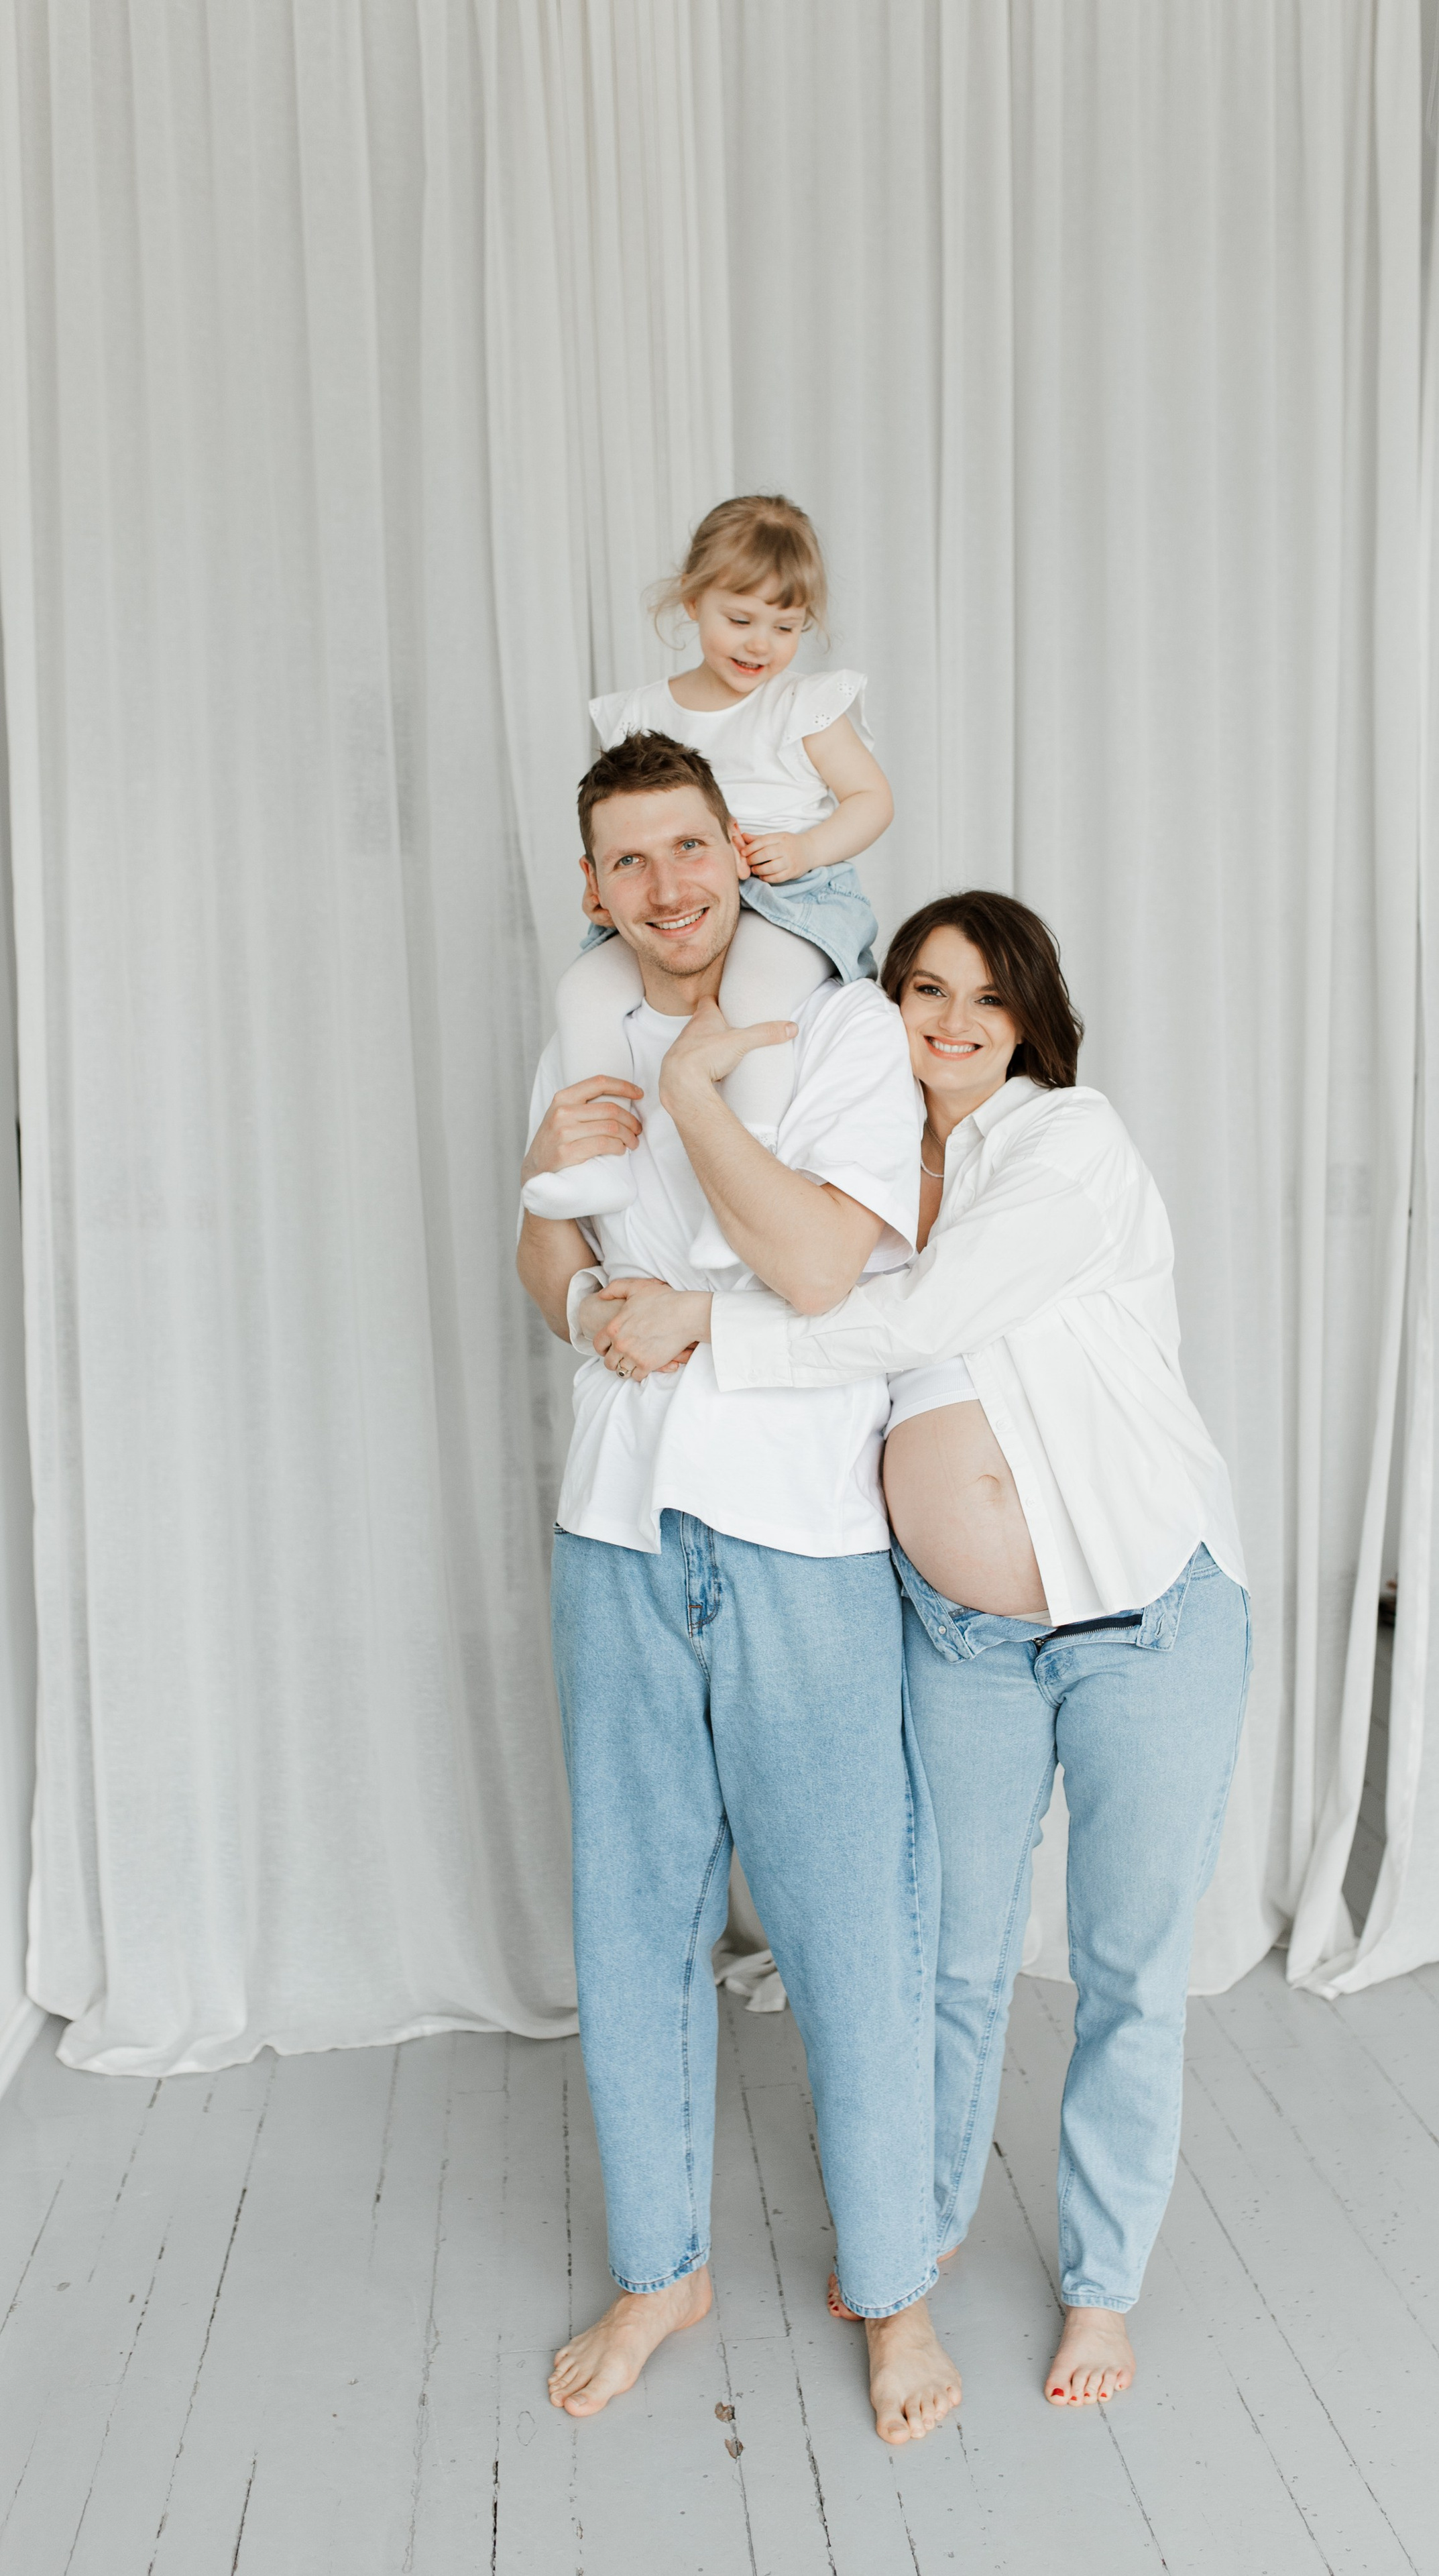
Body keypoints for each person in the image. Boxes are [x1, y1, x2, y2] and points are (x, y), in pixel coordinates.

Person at [587, 891, 1252, 2412]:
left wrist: (709, 1326)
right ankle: (923, 2234)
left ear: (1029, 1021)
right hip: (961, 1639)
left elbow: (926, 1315)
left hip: (1145, 1619)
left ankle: (1098, 2287)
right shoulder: (867, 1176)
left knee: (1126, 1969)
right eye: (922, 990)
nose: (952, 1021)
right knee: (947, 1955)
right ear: (879, 1008)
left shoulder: (1065, 1142)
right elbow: (798, 1277)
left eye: (986, 996)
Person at [516, 727, 962, 2447]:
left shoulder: (839, 1024)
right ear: (592, 884)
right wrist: (579, 1296)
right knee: (633, 1915)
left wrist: (698, 1099)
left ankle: (893, 2286)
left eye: (689, 846)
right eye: (629, 859)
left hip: (796, 1534)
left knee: (850, 1920)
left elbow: (819, 1264)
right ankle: (662, 2268)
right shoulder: (579, 1022)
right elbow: (546, 1238)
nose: (667, 885)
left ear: (739, 850)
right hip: (615, 1524)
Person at [523, 494, 893, 1230]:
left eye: (786, 627)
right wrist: (613, 883)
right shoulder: (639, 713)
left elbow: (871, 799)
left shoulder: (802, 706)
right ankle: (600, 1162)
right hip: (684, 900)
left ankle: (751, 1166)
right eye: (740, 619)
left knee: (754, 995)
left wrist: (806, 848)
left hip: (790, 897)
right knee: (583, 990)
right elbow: (621, 818)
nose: (761, 645)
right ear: (692, 602)